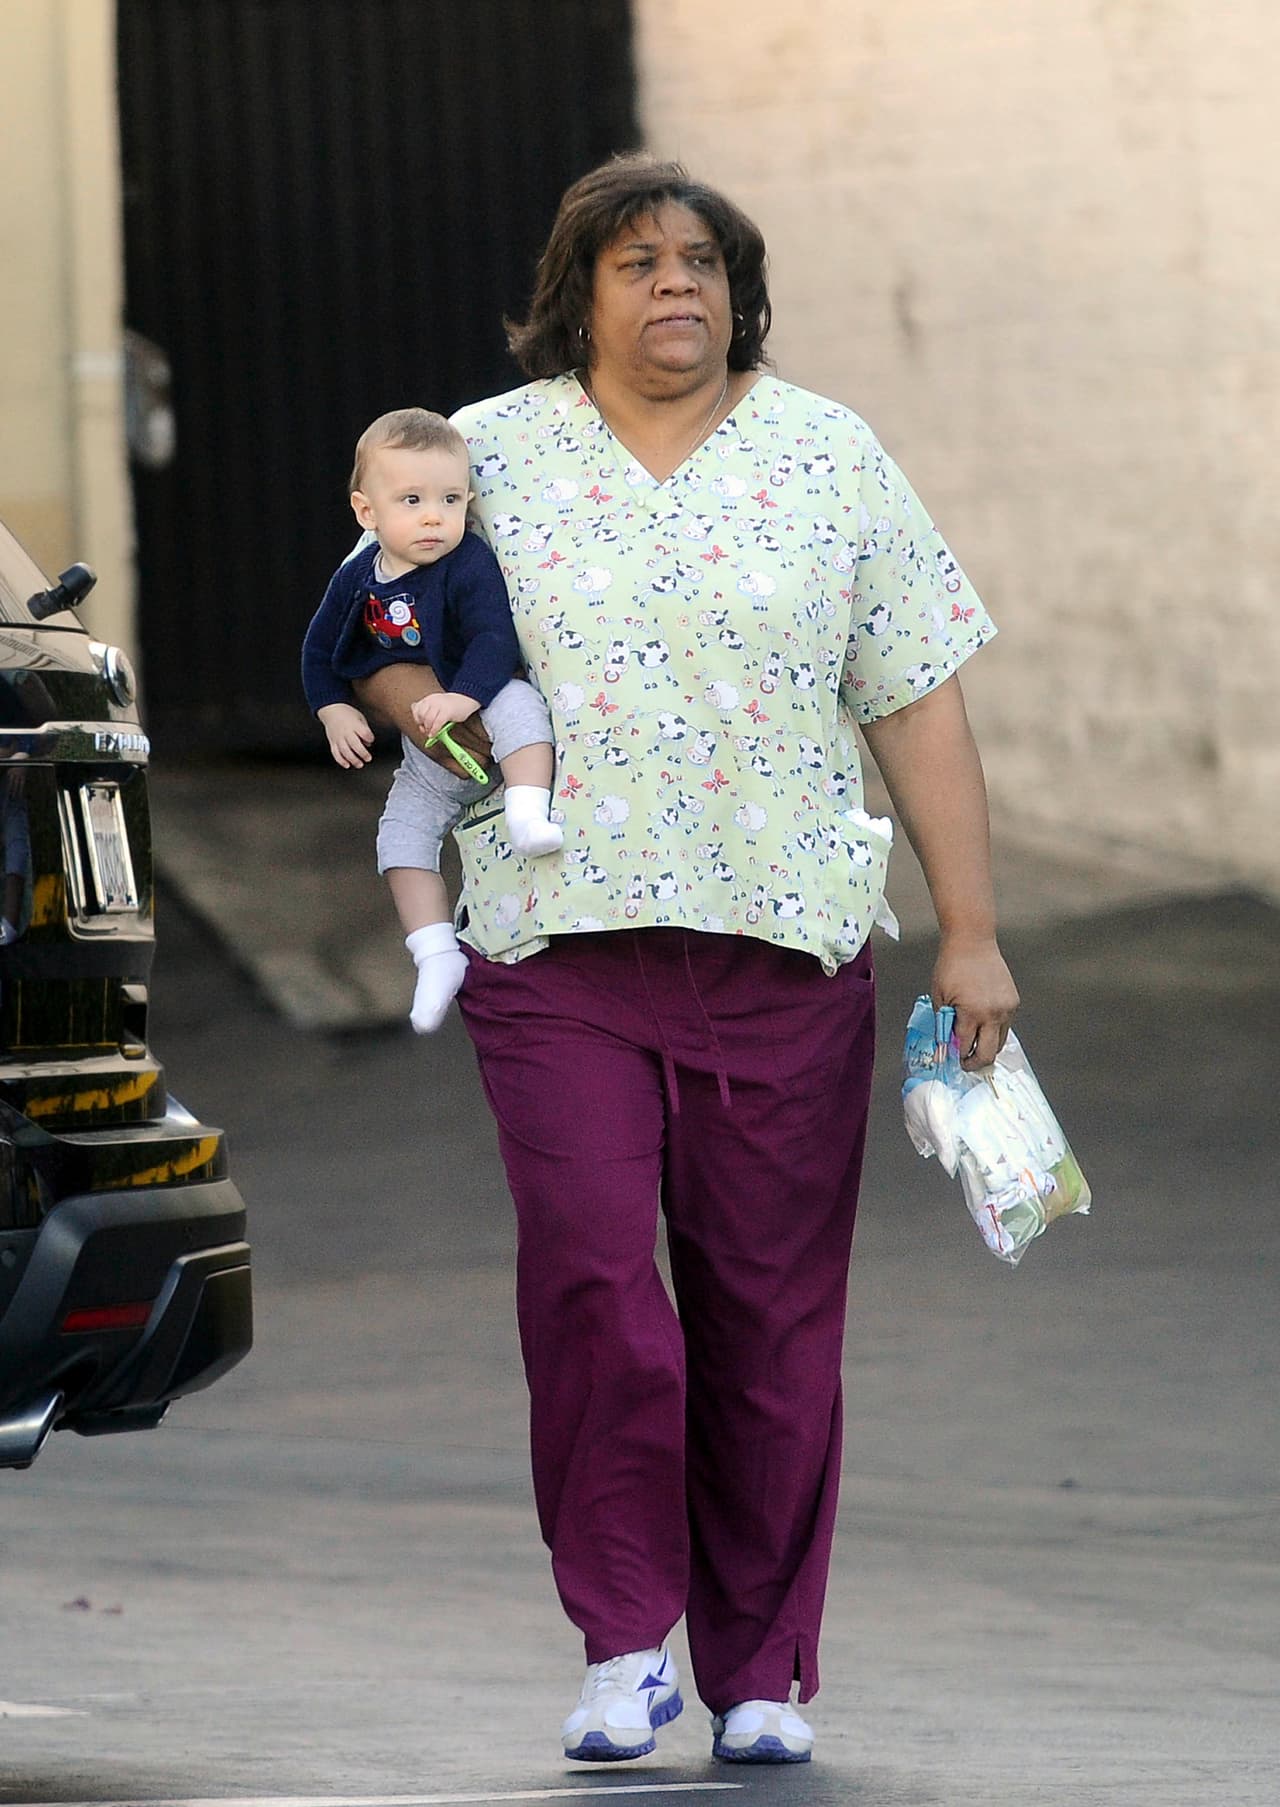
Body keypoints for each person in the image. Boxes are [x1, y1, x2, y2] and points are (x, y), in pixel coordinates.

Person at [358, 155, 1019, 1766]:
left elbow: (914, 693)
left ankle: (762, 1665)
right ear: (577, 287)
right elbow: (382, 644)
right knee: (594, 1281)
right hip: (557, 942)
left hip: (781, 945)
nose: (679, 287)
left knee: (770, 1312)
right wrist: (418, 710)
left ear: (742, 290)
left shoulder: (829, 455)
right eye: (641, 261)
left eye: (705, 262)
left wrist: (974, 927)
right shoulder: (485, 456)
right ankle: (619, 1642)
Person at [301, 408, 562, 1032]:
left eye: (449, 500)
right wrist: (334, 709)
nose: (431, 517)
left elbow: (496, 640)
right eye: (411, 500)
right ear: (368, 512)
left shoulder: (466, 561)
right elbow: (319, 650)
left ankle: (529, 809)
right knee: (399, 840)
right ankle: (434, 951)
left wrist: (465, 697)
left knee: (522, 705)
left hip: (479, 703)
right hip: (429, 751)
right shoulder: (358, 578)